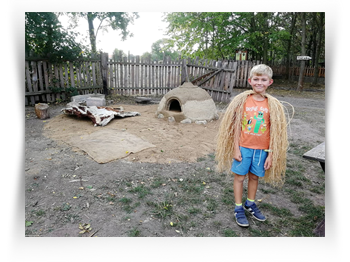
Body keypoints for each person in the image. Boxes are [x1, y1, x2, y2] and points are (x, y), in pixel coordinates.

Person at [215, 64, 289, 227]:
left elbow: (274, 132)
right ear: (250, 80)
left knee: (254, 177)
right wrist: (235, 148)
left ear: (270, 82)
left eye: (263, 79)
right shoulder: (242, 101)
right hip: (243, 148)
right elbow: (235, 128)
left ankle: (250, 203)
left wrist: (270, 154)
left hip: (262, 150)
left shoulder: (272, 105)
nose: (259, 82)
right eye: (256, 79)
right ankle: (238, 207)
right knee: (240, 177)